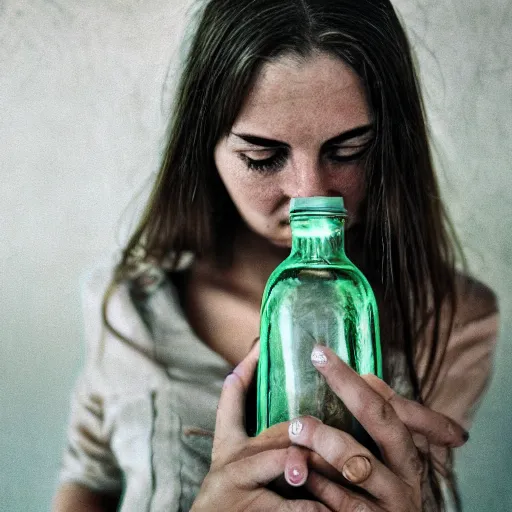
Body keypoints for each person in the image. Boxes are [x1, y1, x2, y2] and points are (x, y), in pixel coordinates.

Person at [52, 0, 499, 510]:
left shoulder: (453, 318)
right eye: (262, 159)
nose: (311, 195)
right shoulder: (127, 305)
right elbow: (88, 479)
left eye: (348, 152)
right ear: (204, 146)